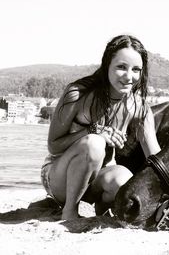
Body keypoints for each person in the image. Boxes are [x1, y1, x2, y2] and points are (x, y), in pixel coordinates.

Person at [41, 34, 161, 220]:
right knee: (94, 143)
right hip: (59, 179)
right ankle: (69, 211)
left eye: (136, 69)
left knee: (125, 180)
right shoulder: (78, 94)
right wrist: (92, 131)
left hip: (98, 181)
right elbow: (54, 145)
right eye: (121, 67)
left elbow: (155, 158)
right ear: (107, 65)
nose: (129, 77)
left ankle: (102, 210)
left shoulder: (139, 108)